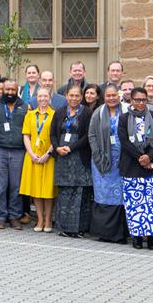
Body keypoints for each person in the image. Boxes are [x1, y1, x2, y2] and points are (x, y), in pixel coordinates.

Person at [118, 87, 153, 250]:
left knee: (152, 203)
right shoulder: (124, 118)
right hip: (131, 166)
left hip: (151, 167)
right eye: (137, 100)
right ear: (131, 100)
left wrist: (150, 156)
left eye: (143, 100)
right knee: (135, 204)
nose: (141, 103)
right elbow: (124, 141)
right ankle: (137, 237)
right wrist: (140, 157)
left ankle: (151, 238)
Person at [51, 85, 93, 238]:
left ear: (81, 97)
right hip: (62, 157)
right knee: (64, 192)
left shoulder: (87, 112)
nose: (74, 98)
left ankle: (78, 228)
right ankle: (63, 227)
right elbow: (52, 133)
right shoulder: (59, 112)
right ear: (66, 96)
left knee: (80, 193)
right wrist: (57, 148)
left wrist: (71, 148)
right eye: (71, 95)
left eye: (77, 96)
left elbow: (88, 135)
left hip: (79, 156)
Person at [0, 79, 28, 230]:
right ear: (3, 89)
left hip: (19, 150)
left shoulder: (25, 106)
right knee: (0, 186)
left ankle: (14, 216)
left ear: (17, 90)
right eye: (7, 89)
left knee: (16, 186)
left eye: (13, 90)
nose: (10, 92)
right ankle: (0, 216)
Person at [87, 84, 127, 243]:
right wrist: (97, 154)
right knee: (103, 194)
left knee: (120, 196)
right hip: (102, 160)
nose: (111, 98)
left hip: (122, 160)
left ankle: (119, 234)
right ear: (104, 97)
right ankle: (104, 233)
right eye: (108, 96)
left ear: (119, 95)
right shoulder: (98, 112)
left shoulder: (127, 110)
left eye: (114, 95)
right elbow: (91, 135)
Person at [20, 89, 56, 233]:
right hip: (33, 156)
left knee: (48, 190)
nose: (42, 99)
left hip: (49, 156)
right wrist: (31, 153)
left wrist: (48, 153)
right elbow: (26, 135)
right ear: (36, 98)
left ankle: (48, 219)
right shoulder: (30, 115)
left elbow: (56, 137)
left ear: (50, 97)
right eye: (40, 96)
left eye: (45, 96)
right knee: (35, 190)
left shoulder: (55, 115)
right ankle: (40, 219)